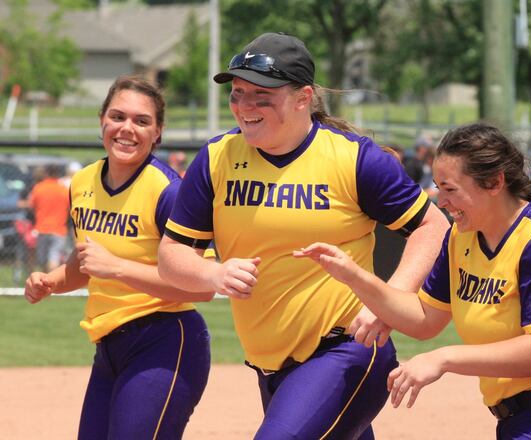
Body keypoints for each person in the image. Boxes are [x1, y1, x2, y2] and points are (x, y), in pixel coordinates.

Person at [157, 32, 448, 439]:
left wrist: (391, 301)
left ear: (302, 97)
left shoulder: (353, 159)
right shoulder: (217, 158)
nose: (245, 106)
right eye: (238, 93)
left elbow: (434, 226)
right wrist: (214, 274)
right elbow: (171, 255)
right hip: (271, 367)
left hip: (347, 350)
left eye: (262, 95)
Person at [295, 122, 531, 439]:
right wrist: (355, 277)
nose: (441, 201)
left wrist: (443, 358)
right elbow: (425, 319)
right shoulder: (461, 237)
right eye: (439, 189)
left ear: (494, 182)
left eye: (450, 189)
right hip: (522, 419)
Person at [24, 75, 213, 439]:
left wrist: (118, 268)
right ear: (102, 120)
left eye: (142, 121)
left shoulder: (169, 191)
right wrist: (51, 282)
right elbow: (86, 264)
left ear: (158, 132)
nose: (127, 128)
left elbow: (202, 286)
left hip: (164, 342)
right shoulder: (83, 181)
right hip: (109, 345)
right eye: (117, 116)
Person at [22, 164, 70, 271]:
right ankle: (51, 279)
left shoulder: (39, 188)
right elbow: (70, 207)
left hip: (42, 228)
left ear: (47, 173)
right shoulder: (64, 189)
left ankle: (46, 279)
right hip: (59, 229)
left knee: (42, 261)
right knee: (54, 257)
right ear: (58, 174)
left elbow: (31, 205)